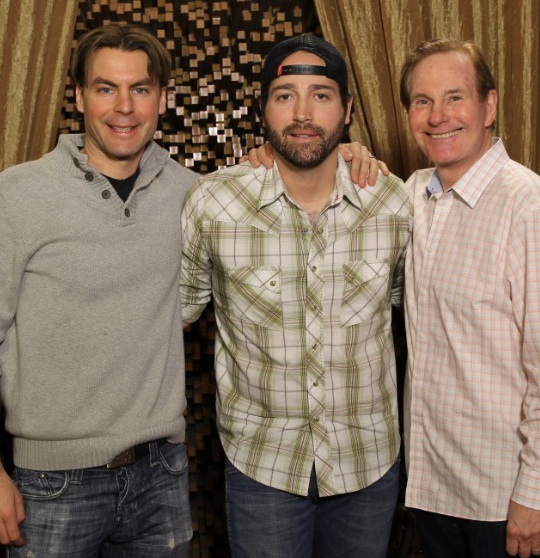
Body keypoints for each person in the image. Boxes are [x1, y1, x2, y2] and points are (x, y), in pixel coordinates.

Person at [180, 35, 411, 558]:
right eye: (285, 95)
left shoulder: (395, 203)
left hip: (367, 462)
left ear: (348, 109)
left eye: (321, 95)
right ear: (263, 110)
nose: (303, 113)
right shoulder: (213, 204)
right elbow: (173, 312)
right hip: (263, 466)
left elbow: (416, 310)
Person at [0, 23, 198, 556]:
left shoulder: (193, 197)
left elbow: (289, 180)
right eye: (106, 88)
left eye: (140, 88)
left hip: (161, 472)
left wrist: (346, 156)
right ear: (80, 96)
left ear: (163, 97)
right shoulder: (17, 195)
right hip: (50, 484)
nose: (124, 107)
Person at [399, 39, 540, 558]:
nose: (438, 117)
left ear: (490, 105)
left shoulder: (528, 206)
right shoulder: (409, 196)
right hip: (432, 488)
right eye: (421, 101)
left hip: (503, 500)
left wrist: (535, 494)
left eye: (455, 97)